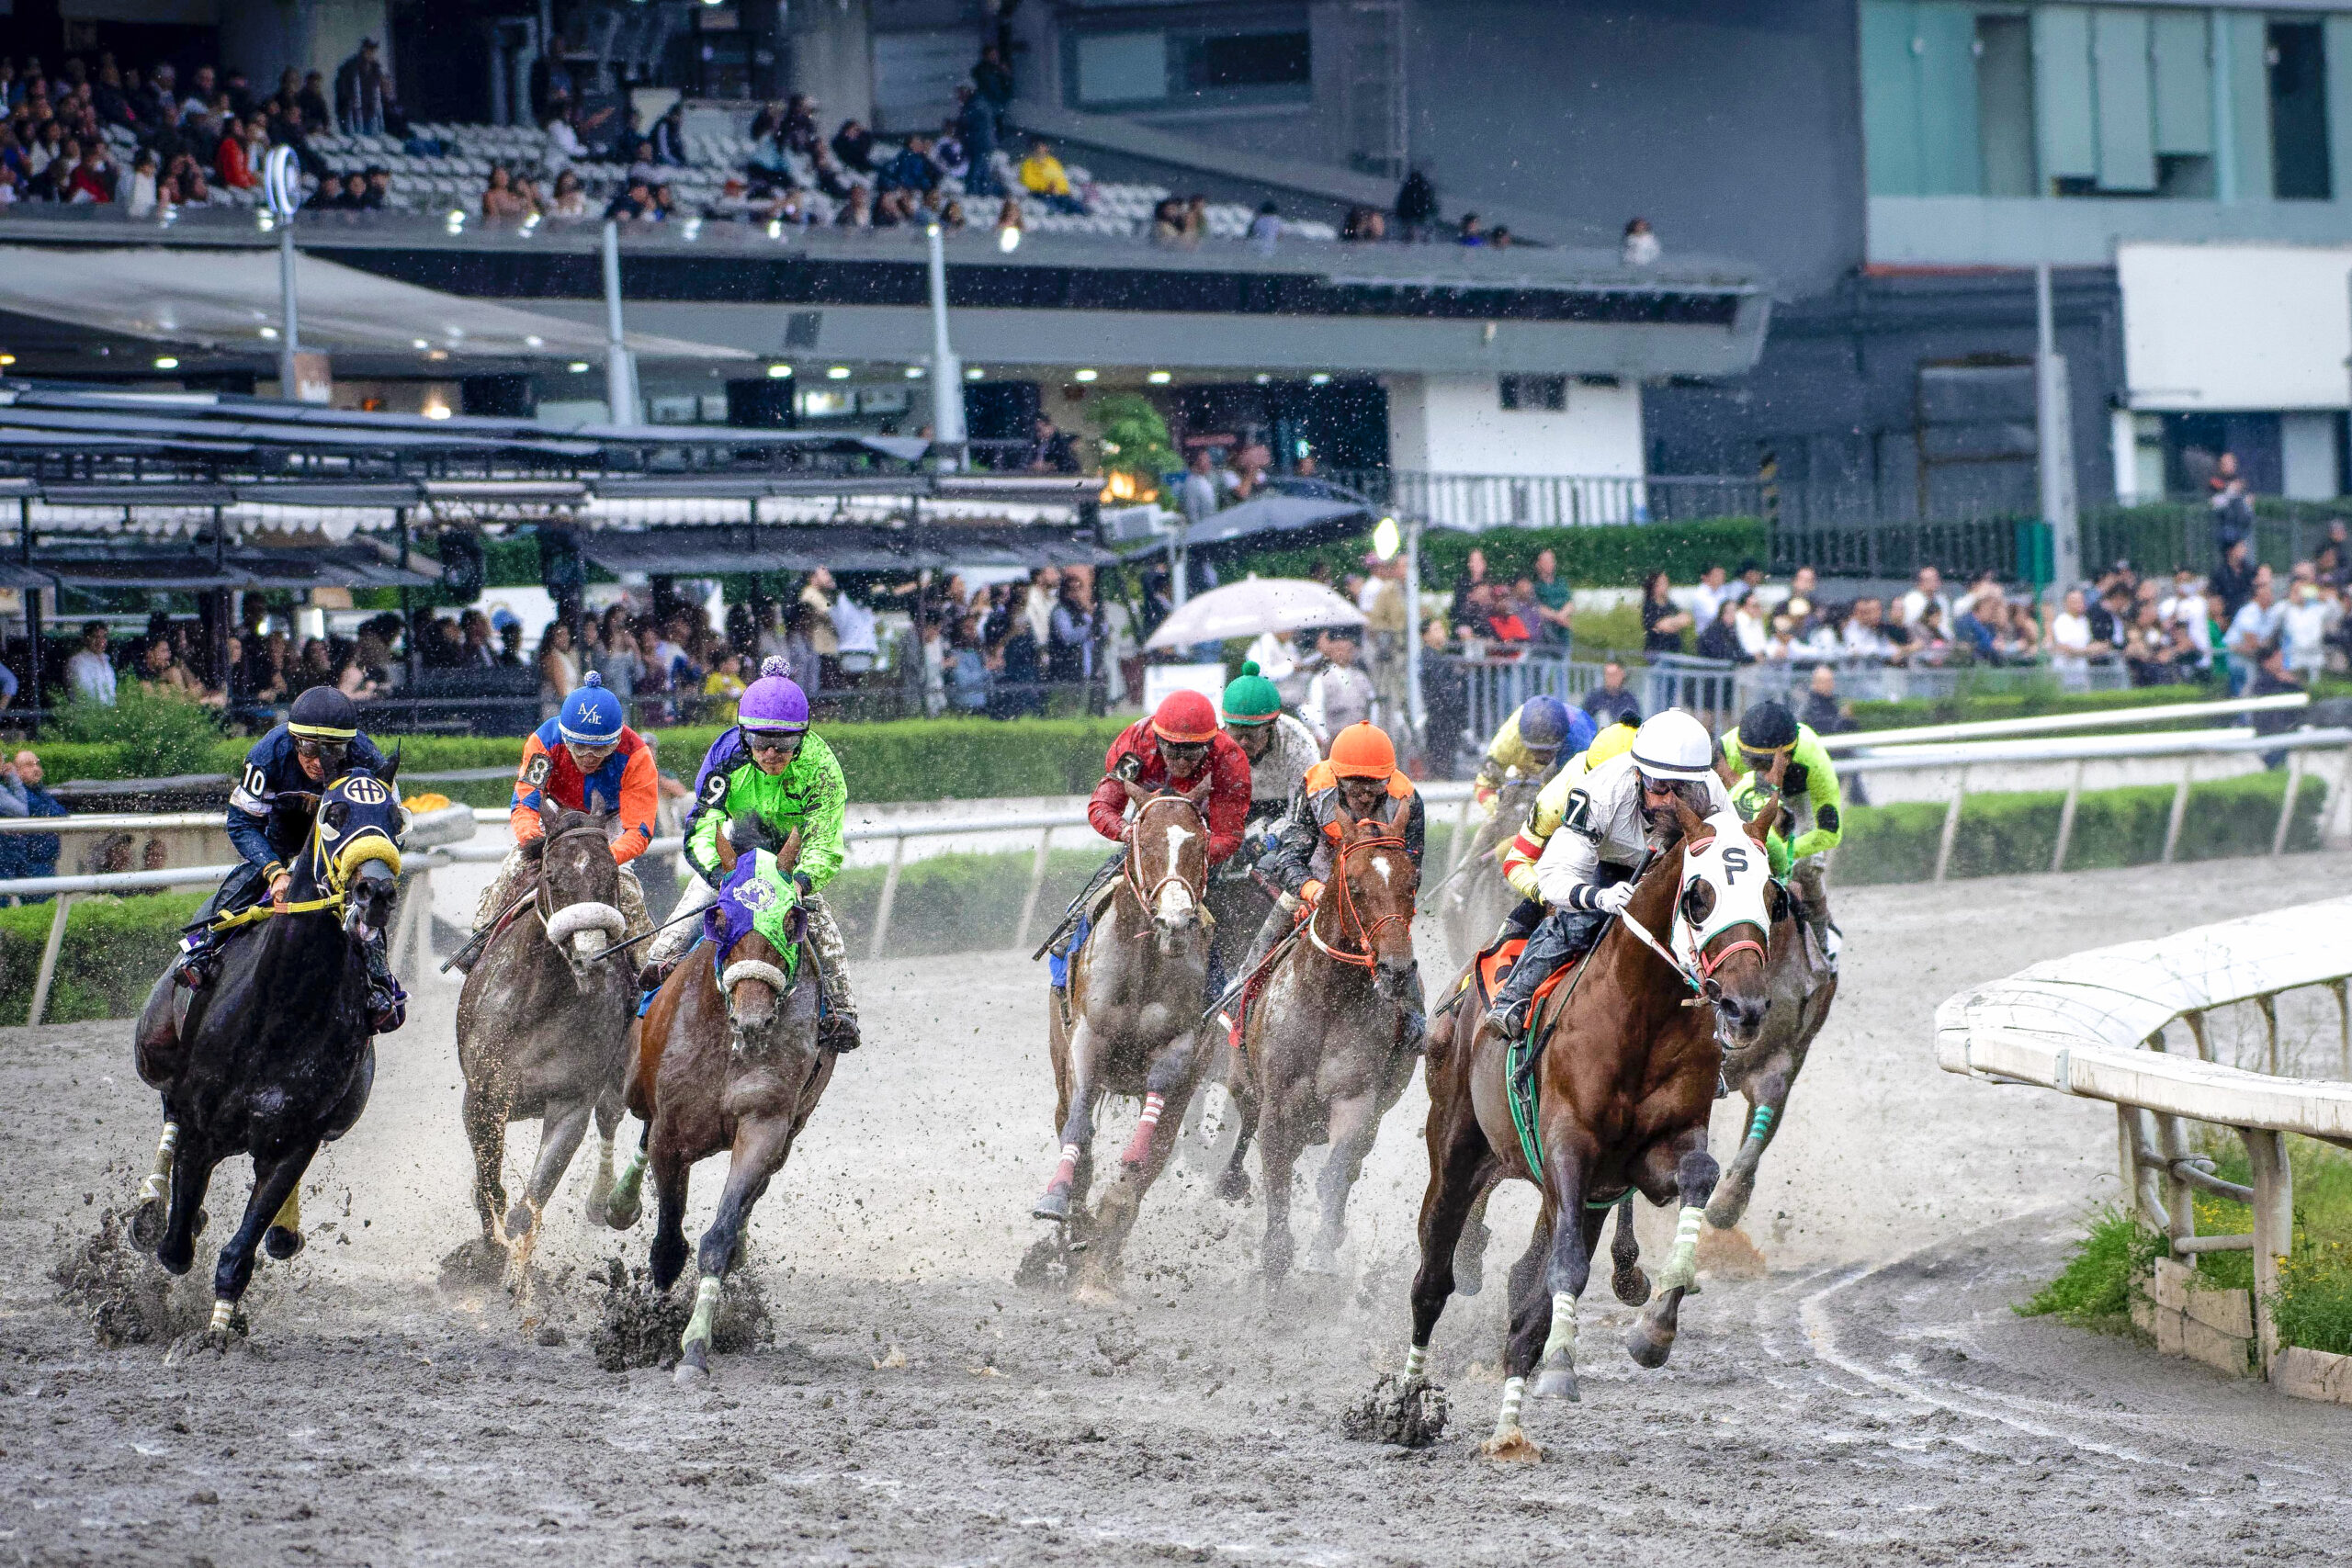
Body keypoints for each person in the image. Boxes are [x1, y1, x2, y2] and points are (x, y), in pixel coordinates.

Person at [639, 659, 859, 1051]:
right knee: (676, 927)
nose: (772, 752)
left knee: (820, 922)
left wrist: (800, 881)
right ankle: (648, 993)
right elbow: (704, 822)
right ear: (743, 735)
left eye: (785, 744)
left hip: (790, 865)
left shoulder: (822, 768)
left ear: (803, 738)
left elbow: (825, 839)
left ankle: (842, 1009)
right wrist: (717, 875)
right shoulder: (725, 755)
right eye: (761, 741)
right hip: (734, 861)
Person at [1482, 709, 1730, 1038]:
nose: (1670, 800)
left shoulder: (1712, 792)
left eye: (1683, 789)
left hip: (1676, 864)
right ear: (1639, 775)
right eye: (1660, 786)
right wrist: (1599, 896)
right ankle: (1513, 1000)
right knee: (1578, 922)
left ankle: (1726, 1021)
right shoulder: (1600, 792)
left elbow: (1731, 856)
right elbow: (1555, 874)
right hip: (1607, 865)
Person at [172, 687, 405, 1032]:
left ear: (348, 746)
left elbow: (389, 824)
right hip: (282, 837)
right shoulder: (268, 755)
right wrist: (274, 872)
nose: (318, 762)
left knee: (368, 894)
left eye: (332, 751)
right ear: (295, 741)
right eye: (310, 749)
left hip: (338, 844)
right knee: (247, 880)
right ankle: (203, 950)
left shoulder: (368, 758)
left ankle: (379, 981)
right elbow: (241, 822)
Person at [1228, 722, 1427, 1042]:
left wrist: (1391, 903)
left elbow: (1411, 869)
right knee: (1274, 924)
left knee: (1395, 936)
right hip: (1319, 875)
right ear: (1336, 780)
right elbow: (1289, 857)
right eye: (1353, 787)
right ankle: (1239, 999)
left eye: (1374, 787)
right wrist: (1313, 890)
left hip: (1375, 891)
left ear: (1388, 781)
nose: (1363, 795)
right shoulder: (1314, 791)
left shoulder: (1408, 801)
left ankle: (1415, 1019)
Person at [1048, 690, 1252, 997]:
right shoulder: (1135, 748)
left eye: (1192, 753)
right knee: (1080, 907)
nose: (1181, 761)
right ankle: (1063, 980)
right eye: (1172, 751)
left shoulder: (1229, 761)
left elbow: (1229, 835)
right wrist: (1129, 835)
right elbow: (1101, 806)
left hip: (1195, 849)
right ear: (1157, 740)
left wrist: (1186, 857)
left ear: (1210, 746)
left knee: (1222, 920)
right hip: (1146, 845)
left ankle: (1217, 996)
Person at [455, 671, 658, 970]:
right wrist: (532, 844)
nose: (589, 757)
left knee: (627, 890)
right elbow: (525, 804)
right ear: (564, 737)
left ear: (617, 741)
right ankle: (481, 937)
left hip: (609, 824)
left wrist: (603, 858)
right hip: (558, 815)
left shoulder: (637, 754)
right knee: (514, 869)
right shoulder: (544, 742)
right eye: (578, 747)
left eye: (600, 749)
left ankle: (649, 967)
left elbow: (638, 829)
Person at [1720, 699, 1844, 967]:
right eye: (1749, 762)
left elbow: (1830, 834)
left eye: (1763, 764)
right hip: (1746, 794)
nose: (1758, 773)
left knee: (1808, 867)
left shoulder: (1813, 760)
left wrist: (1786, 850)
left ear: (1787, 756)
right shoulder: (1725, 748)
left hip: (1800, 796)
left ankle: (1822, 938)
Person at [1471, 694, 1593, 822]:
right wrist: (1501, 811)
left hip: (1571, 761)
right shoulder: (1509, 739)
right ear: (1522, 740)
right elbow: (1483, 784)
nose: (1542, 757)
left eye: (1547, 751)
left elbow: (1584, 797)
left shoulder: (1579, 743)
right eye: (1536, 750)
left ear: (1561, 741)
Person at [0, 749, 68, 886]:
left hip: (45, 859)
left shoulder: (39, 792)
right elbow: (32, 811)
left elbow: (61, 813)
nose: (36, 768)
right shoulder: (23, 795)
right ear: (17, 771)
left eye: (37, 763)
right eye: (29, 765)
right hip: (30, 860)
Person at [1301, 630, 1376, 739]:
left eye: (1347, 650)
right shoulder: (1320, 679)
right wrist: (1324, 736)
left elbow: (1372, 705)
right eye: (1338, 650)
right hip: (1334, 737)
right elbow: (1318, 710)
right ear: (1331, 653)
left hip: (1360, 736)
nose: (1342, 654)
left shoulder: (1362, 677)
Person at [1639, 570, 1690, 654]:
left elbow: (1686, 618)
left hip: (1674, 650)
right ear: (1654, 586)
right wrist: (1677, 622)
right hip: (1657, 652)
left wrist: (1671, 622)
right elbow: (1662, 626)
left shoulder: (1670, 604)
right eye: (1663, 583)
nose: (1667, 586)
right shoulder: (1650, 606)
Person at [66, 619, 116, 706]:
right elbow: (85, 692)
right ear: (86, 639)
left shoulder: (106, 660)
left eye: (103, 637)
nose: (100, 642)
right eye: (96, 637)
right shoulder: (77, 662)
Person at [1580, 659, 1640, 728]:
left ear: (1622, 675)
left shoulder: (1630, 700)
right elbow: (1583, 722)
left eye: (1614, 674)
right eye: (1608, 674)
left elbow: (1636, 725)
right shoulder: (1593, 698)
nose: (1611, 678)